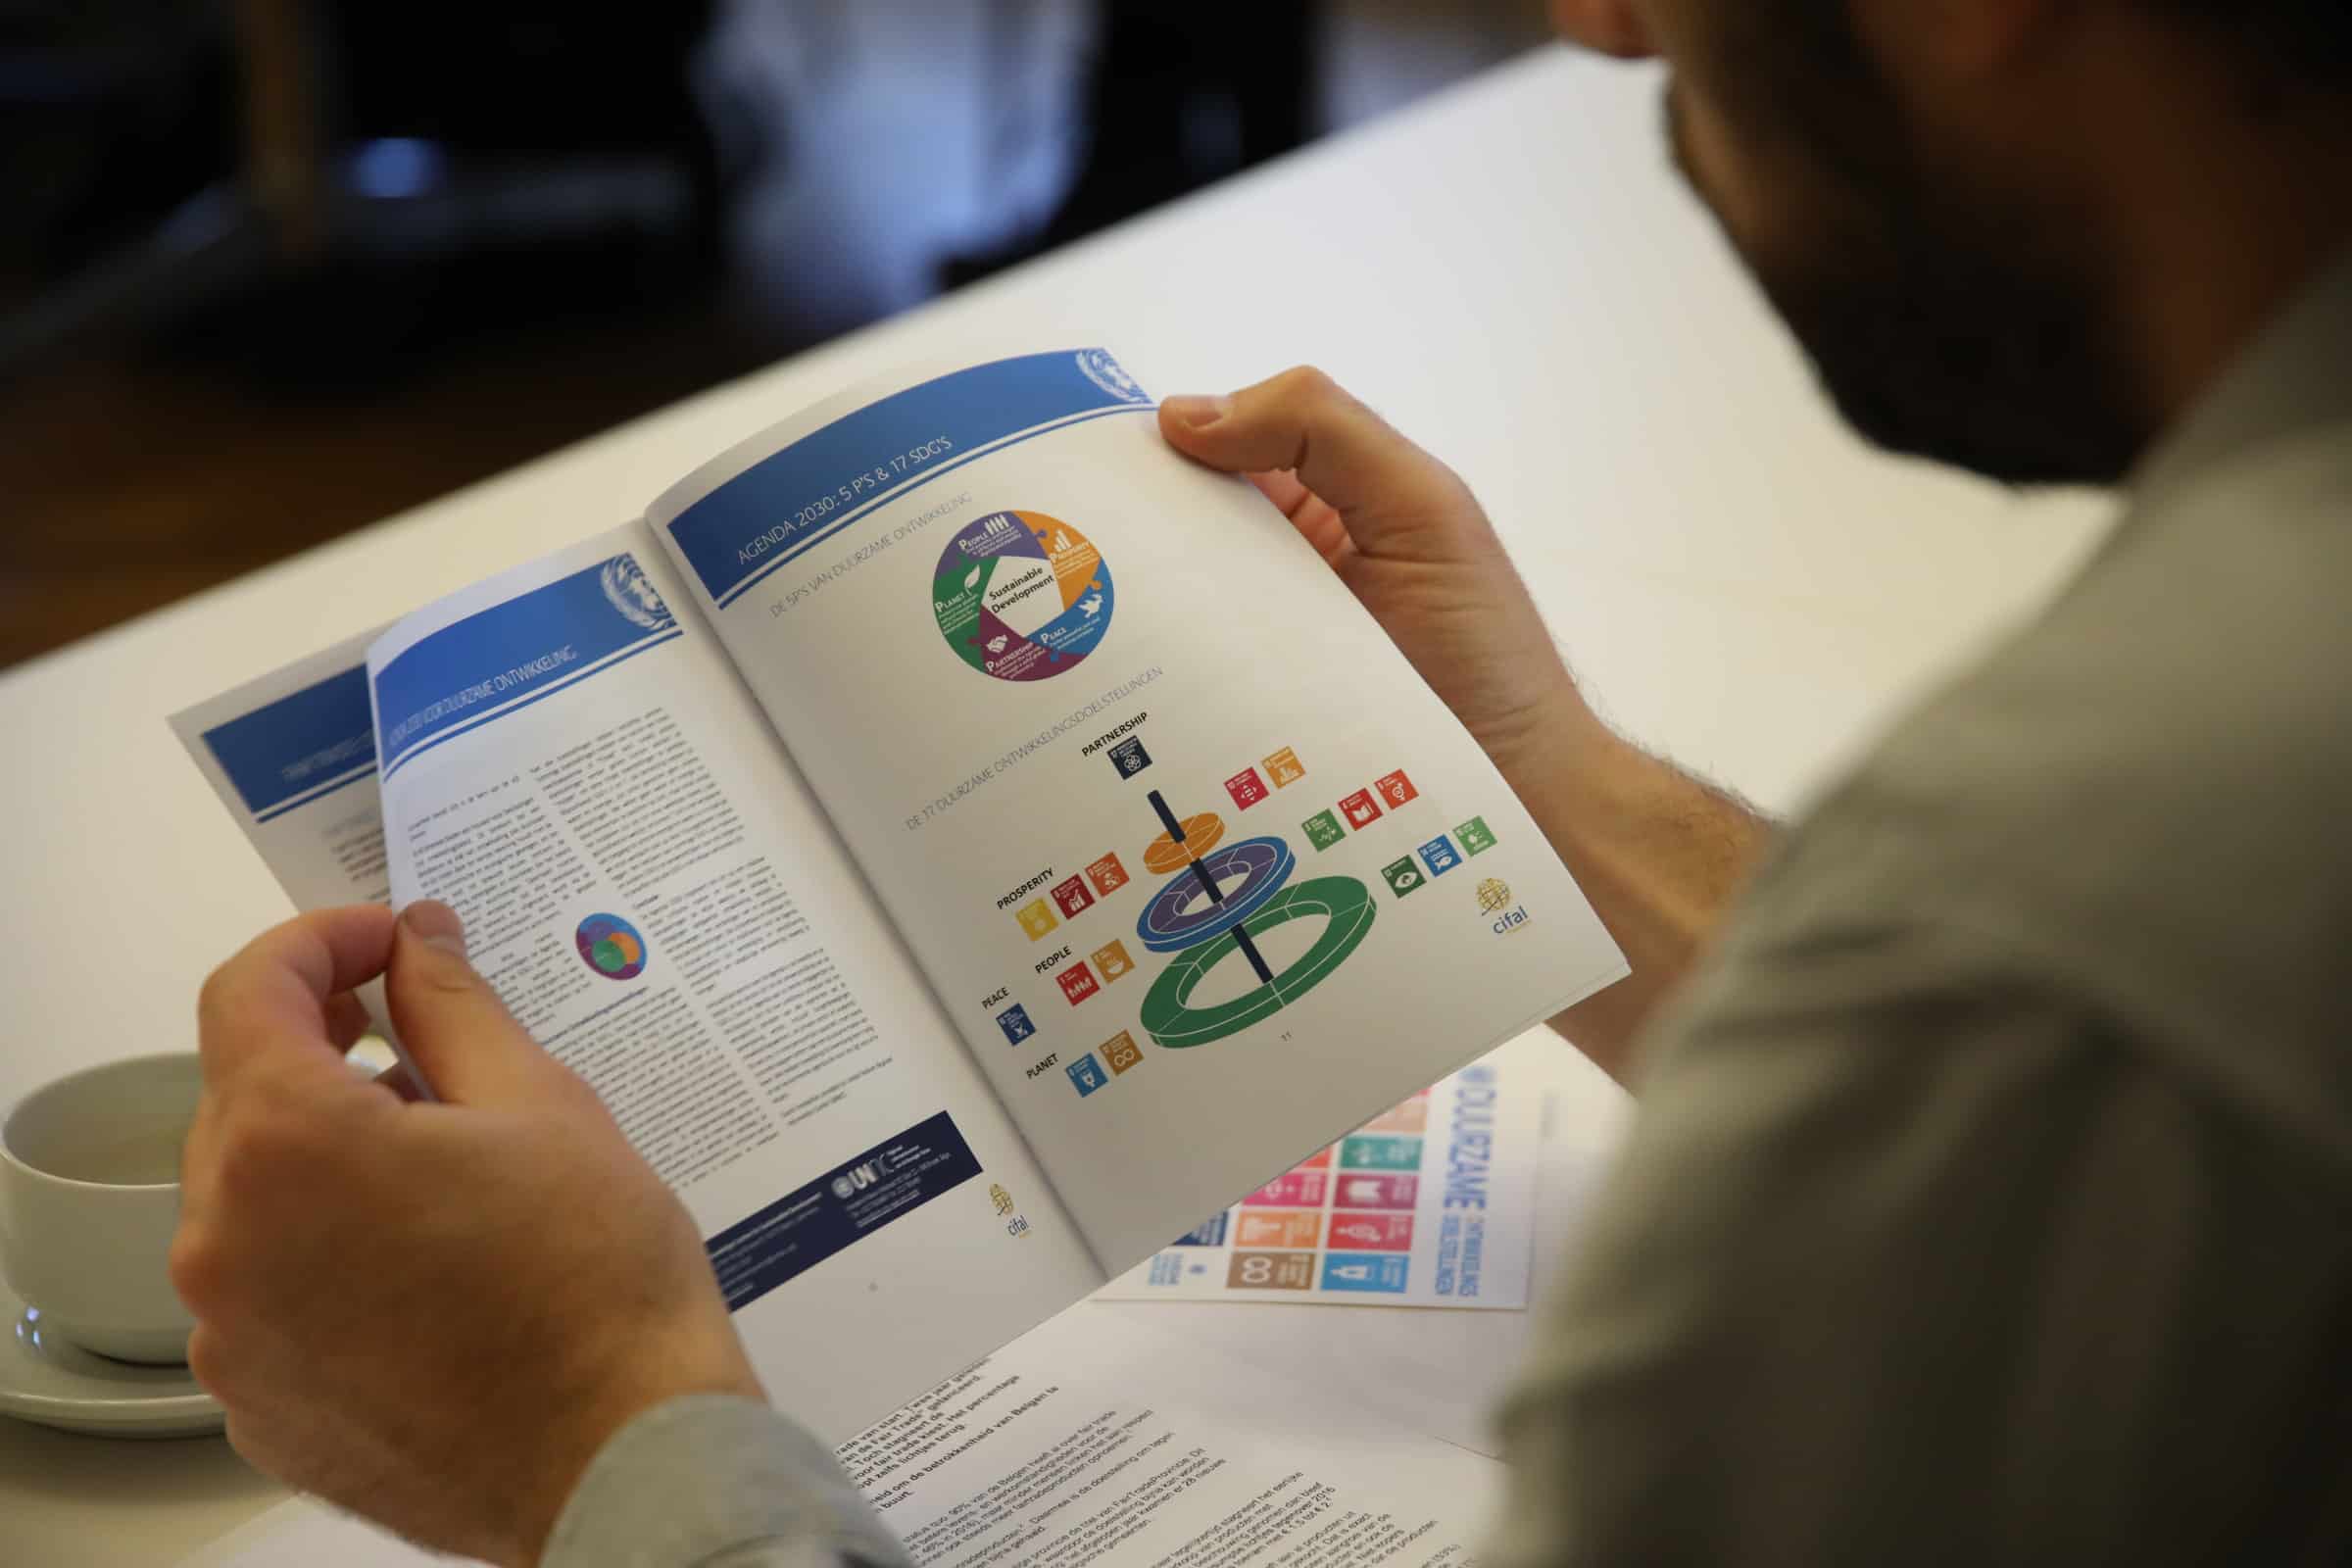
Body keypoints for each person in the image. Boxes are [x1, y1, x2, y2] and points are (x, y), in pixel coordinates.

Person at [175, 0, 2352, 1563]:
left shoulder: (2056, 932)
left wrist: (596, 1443)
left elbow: (2038, 1016)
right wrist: (1531, 782)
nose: (1599, 25)